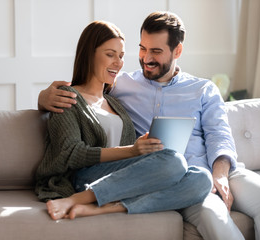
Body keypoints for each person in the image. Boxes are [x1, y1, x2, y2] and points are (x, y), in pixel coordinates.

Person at [38, 12, 260, 239]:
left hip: (213, 171)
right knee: (214, 214)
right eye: (142, 49)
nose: (146, 58)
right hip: (167, 174)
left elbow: (219, 135)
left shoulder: (202, 89)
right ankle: (91, 202)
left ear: (177, 51)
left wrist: (221, 175)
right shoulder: (122, 84)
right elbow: (84, 92)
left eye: (156, 52)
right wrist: (43, 99)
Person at [34, 20, 212, 221]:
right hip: (83, 177)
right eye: (110, 55)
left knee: (202, 179)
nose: (118, 63)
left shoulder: (115, 101)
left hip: (122, 178)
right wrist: (132, 151)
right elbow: (70, 154)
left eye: (121, 56)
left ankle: (104, 208)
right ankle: (78, 199)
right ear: (89, 54)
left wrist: (144, 153)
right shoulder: (68, 96)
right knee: (174, 161)